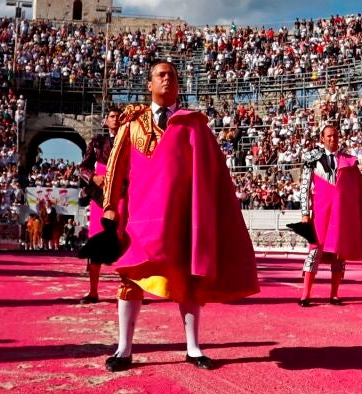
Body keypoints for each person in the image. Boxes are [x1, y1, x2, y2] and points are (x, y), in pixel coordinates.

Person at [95, 59, 257, 371]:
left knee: (188, 280)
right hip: (141, 217)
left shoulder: (194, 124)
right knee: (131, 278)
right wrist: (110, 206)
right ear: (150, 84)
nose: (167, 79)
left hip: (182, 216)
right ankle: (124, 349)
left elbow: (212, 173)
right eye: (161, 74)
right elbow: (114, 169)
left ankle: (193, 348)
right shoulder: (131, 125)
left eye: (172, 75)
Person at [297, 121, 362, 307]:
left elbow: (357, 190)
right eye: (329, 136)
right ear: (322, 139)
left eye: (335, 136)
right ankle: (305, 295)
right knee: (314, 252)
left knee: (339, 254)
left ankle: (334, 294)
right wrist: (304, 213)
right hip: (320, 212)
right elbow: (304, 187)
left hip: (341, 213)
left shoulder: (349, 161)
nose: (333, 139)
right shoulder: (311, 159)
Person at [76, 110, 120, 303]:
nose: (116, 119)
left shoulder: (131, 141)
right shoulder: (97, 142)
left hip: (124, 191)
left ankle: (131, 289)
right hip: (100, 194)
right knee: (96, 241)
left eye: (118, 116)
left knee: (126, 239)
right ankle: (93, 291)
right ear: (105, 121)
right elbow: (83, 168)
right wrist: (93, 177)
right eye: (112, 116)